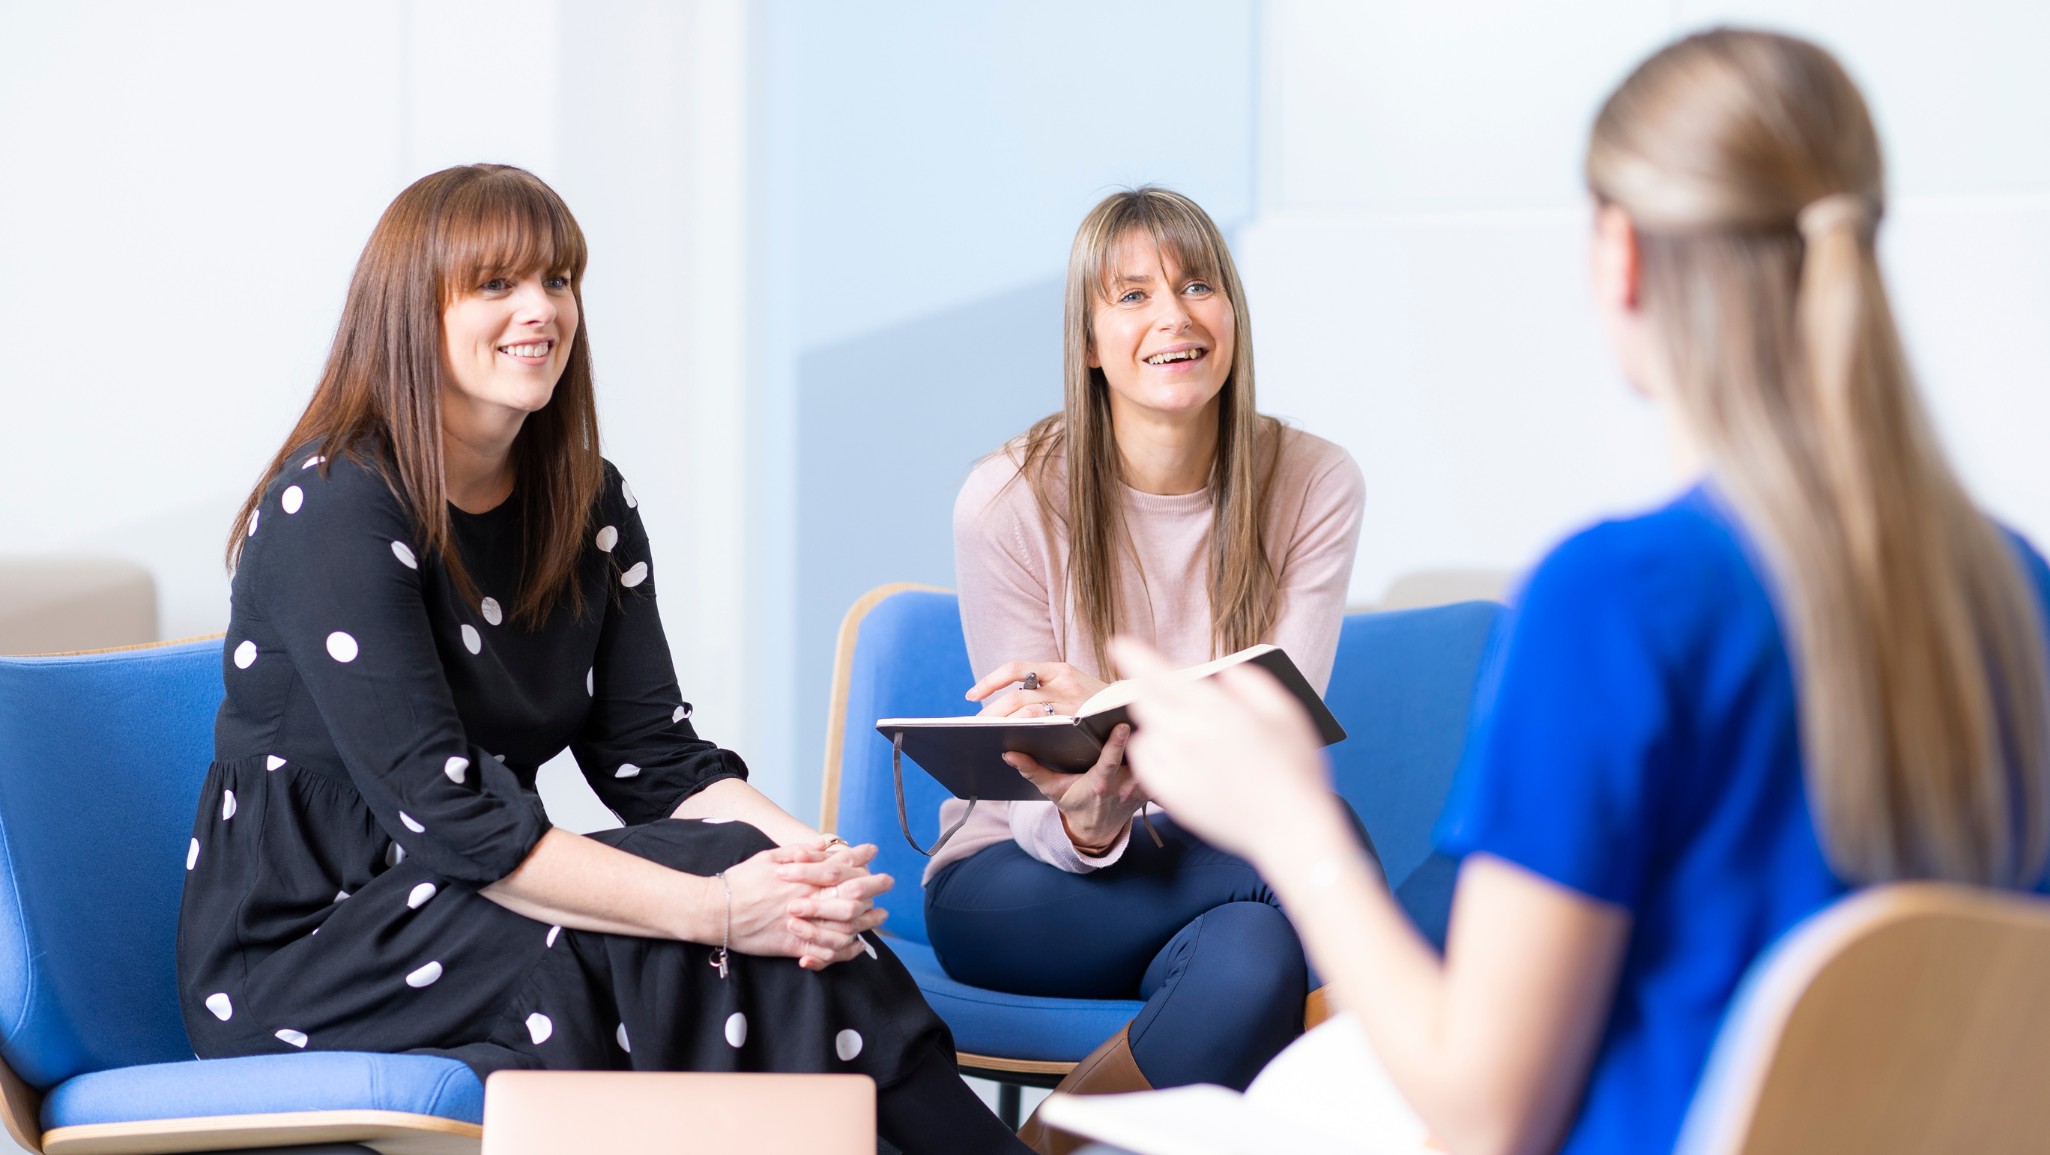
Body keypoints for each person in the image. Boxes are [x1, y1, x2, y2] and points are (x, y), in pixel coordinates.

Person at [1106, 29, 2050, 1155]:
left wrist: (1289, 824)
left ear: (1620, 257)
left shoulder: (1616, 603)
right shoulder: (2013, 591)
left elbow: (1487, 1111)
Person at [178, 165, 1029, 1155]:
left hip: (468, 908)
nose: (540, 309)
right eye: (495, 284)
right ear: (412, 311)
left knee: (742, 910)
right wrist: (720, 907)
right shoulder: (334, 507)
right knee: (693, 939)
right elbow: (452, 824)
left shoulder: (587, 507)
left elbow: (656, 765)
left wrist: (803, 871)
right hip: (310, 956)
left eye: (558, 279)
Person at [917, 187, 1367, 1148]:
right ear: (1088, 341)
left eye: (1198, 285)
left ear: (1232, 315)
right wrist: (1087, 816)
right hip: (1018, 873)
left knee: (1251, 956)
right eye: (1132, 295)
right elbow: (1033, 785)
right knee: (1322, 860)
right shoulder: (1007, 498)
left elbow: (1275, 757)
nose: (1174, 317)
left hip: (1226, 875)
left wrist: (1127, 724)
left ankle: (1037, 1146)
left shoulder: (1314, 483)